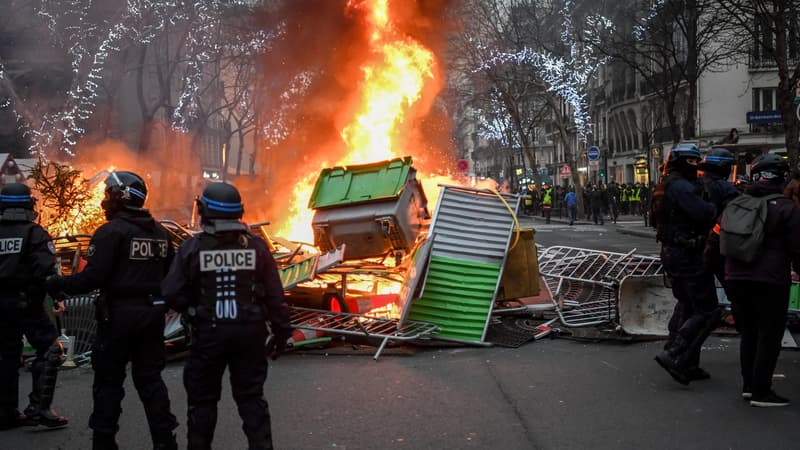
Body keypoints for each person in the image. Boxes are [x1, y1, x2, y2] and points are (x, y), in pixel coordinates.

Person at [47, 171, 178, 449]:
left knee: (108, 385)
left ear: (122, 197)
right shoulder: (161, 234)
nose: (105, 200)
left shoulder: (110, 233)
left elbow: (92, 278)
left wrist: (57, 282)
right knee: (151, 383)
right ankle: (165, 443)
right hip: (151, 317)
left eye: (108, 195)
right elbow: (171, 276)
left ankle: (104, 443)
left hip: (117, 318)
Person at [161, 182, 291, 449]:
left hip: (209, 334)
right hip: (250, 334)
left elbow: (171, 291)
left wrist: (192, 309)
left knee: (203, 402)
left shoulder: (192, 248)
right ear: (238, 211)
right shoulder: (257, 247)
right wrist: (281, 335)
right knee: (251, 399)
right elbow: (276, 297)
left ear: (204, 211)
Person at [724, 154, 800, 406]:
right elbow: (797, 247)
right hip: (770, 280)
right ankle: (761, 391)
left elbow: (717, 241)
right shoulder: (787, 208)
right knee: (770, 334)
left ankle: (749, 386)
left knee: (749, 332)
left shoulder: (737, 202)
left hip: (736, 277)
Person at [0, 183, 68, 430]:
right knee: (51, 350)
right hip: (27, 303)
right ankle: (40, 408)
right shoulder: (34, 233)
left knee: (6, 356)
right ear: (29, 204)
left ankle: (5, 412)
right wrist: (58, 295)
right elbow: (46, 271)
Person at [651, 144, 718, 385]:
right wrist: (715, 204)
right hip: (687, 253)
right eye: (691, 162)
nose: (695, 166)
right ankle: (674, 353)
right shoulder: (681, 187)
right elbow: (704, 213)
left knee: (687, 305)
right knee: (707, 309)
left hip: (673, 252)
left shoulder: (665, 185)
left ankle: (686, 361)